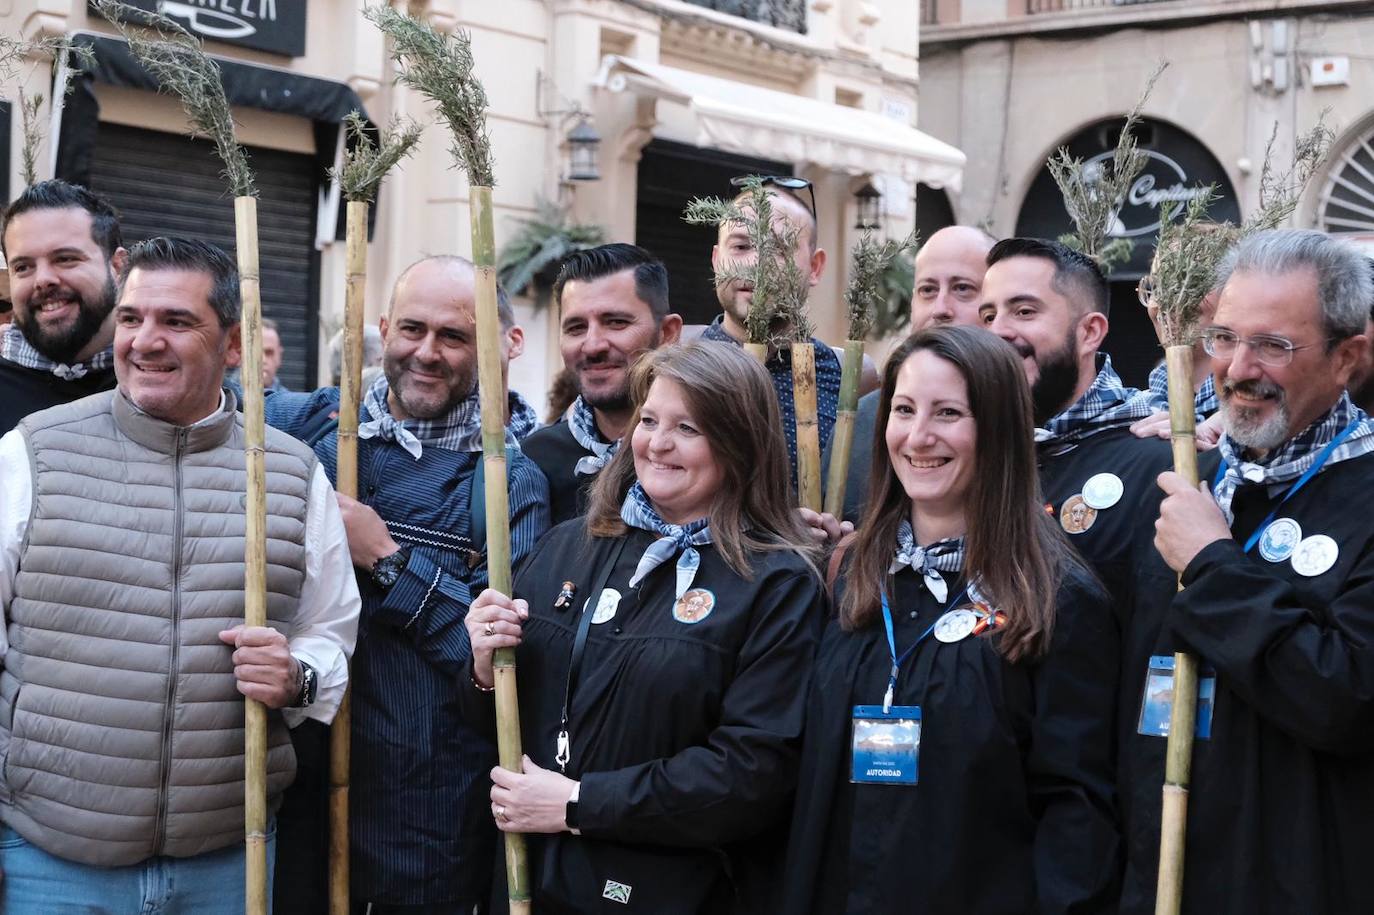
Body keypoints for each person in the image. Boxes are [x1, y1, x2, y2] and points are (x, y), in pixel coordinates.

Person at [0, 236, 359, 911]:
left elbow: (329, 629)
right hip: (49, 861)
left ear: (231, 345)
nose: (144, 341)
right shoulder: (32, 454)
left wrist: (296, 676)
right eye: (132, 318)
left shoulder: (288, 472)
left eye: (176, 321)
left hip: (228, 859)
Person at [462, 341, 824, 913]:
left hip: (674, 893)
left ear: (739, 443)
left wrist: (580, 804)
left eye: (688, 428)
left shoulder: (776, 583)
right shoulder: (568, 545)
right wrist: (484, 667)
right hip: (528, 883)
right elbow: (505, 720)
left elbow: (753, 773)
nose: (658, 443)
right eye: (649, 420)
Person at [781, 325, 1119, 914]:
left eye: (948, 413)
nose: (918, 436)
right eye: (904, 409)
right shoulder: (849, 573)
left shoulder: (1059, 600)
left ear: (997, 431)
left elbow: (1078, 817)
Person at [266, 254, 549, 913]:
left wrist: (388, 557)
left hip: (424, 826)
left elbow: (506, 664)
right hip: (293, 797)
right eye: (413, 329)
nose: (427, 352)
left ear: (493, 348)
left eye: (453, 336)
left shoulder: (507, 482)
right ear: (385, 329)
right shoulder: (313, 433)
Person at [1120, 229, 1374, 915]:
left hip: (1302, 879)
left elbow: (1347, 698)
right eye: (1225, 337)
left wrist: (1213, 565)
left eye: (1274, 345)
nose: (1236, 367)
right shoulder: (1185, 481)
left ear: (1348, 358)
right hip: (1158, 868)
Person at [980, 237, 1173, 609]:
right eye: (988, 316)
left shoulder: (1158, 454)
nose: (998, 332)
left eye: (1023, 312)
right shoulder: (971, 454)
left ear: (1089, 332)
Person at [828, 225, 997, 523]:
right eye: (928, 290)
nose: (941, 309)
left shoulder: (1025, 408)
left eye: (962, 289)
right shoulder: (864, 420)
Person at [522, 243, 683, 524]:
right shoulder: (534, 460)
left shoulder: (701, 459)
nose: (593, 345)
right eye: (576, 328)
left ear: (667, 333)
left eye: (616, 322)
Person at [700, 176, 842, 490]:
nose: (756, 264)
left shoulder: (848, 377)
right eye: (740, 246)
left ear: (815, 267)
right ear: (716, 260)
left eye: (777, 248)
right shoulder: (677, 369)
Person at [0, 179, 125, 434]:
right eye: (23, 267)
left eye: (65, 259)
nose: (43, 280)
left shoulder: (166, 387)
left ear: (118, 266)